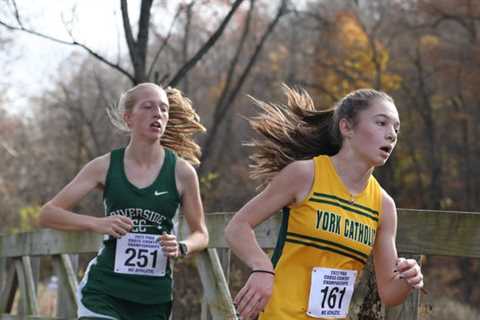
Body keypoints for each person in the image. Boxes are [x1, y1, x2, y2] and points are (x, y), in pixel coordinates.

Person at [225, 85, 424, 320]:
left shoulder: (384, 205)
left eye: (396, 129)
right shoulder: (305, 175)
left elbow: (389, 293)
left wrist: (408, 278)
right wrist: (262, 268)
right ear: (347, 127)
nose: (392, 134)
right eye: (381, 123)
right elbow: (237, 227)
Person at [38, 83, 209, 320]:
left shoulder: (183, 173)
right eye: (148, 107)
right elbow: (48, 214)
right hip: (104, 291)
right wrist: (97, 223)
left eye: (163, 109)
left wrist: (182, 246)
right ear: (128, 118)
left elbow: (201, 233)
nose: (157, 114)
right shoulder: (104, 166)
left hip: (153, 298)